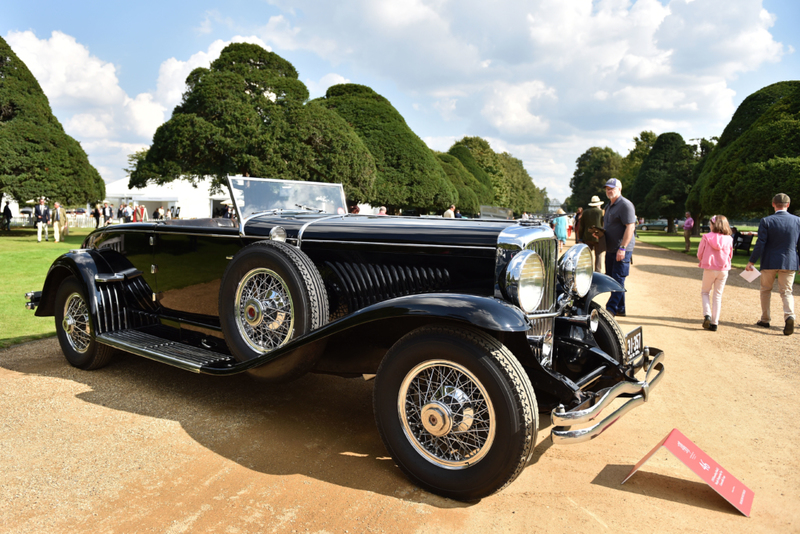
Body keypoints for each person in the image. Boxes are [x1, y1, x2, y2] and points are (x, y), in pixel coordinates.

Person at [746, 193, 800, 336]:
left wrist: (752, 261)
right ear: (788, 205)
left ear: (773, 204)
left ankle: (765, 319)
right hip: (790, 261)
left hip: (769, 260)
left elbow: (760, 243)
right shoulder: (798, 221)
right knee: (787, 291)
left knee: (765, 290)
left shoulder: (766, 221)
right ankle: (789, 316)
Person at [597, 178, 636, 317]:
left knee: (618, 279)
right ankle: (620, 308)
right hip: (611, 248)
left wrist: (623, 248)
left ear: (619, 189)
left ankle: (611, 309)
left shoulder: (625, 205)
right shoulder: (608, 206)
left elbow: (630, 226)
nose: (609, 190)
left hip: (621, 249)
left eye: (612, 188)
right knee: (612, 278)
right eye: (607, 188)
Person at [697, 215, 733, 332]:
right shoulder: (729, 238)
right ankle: (714, 322)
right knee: (718, 295)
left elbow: (699, 254)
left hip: (709, 268)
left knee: (705, 292)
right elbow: (730, 255)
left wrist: (703, 259)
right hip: (723, 269)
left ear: (713, 225)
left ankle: (707, 315)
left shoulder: (706, 237)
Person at [582, 196, 605, 271]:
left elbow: (582, 226)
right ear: (598, 204)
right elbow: (603, 225)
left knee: (587, 255)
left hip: (587, 237)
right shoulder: (601, 212)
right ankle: (597, 271)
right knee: (598, 255)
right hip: (599, 237)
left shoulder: (585, 212)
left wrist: (580, 238)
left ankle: (586, 270)